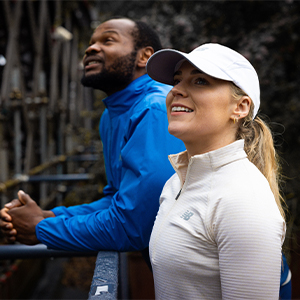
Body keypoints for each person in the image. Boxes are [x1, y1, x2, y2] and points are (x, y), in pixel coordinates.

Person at [0, 18, 185, 253]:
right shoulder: (112, 116)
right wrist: (50, 215)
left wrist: (41, 227)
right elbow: (117, 199)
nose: (91, 48)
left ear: (144, 57)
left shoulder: (155, 109)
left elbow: (137, 224)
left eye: (108, 40)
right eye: (91, 43)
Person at [146, 43, 286, 299]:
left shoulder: (244, 200)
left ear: (240, 107)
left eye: (199, 81)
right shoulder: (175, 183)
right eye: (177, 81)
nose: (176, 90)